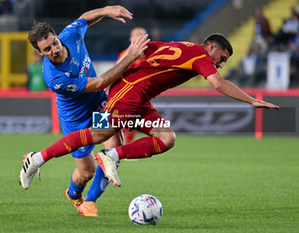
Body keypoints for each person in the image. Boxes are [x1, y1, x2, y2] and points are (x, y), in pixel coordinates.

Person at [21, 33, 279, 197]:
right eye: (221, 58)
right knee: (100, 132)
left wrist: (134, 61)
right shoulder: (201, 56)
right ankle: (37, 158)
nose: (220, 64)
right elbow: (218, 83)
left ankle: (110, 155)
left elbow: (149, 48)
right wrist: (251, 99)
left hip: (139, 97)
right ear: (210, 47)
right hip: (129, 93)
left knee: (166, 137)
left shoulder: (183, 45)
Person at [20, 5, 150, 217]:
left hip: (98, 104)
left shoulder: (70, 34)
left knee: (114, 150)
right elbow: (99, 82)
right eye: (47, 50)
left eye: (54, 43)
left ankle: (89, 202)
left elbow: (84, 19)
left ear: (57, 36)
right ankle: (74, 193)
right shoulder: (53, 77)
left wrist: (107, 10)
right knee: (86, 171)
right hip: (75, 118)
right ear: (39, 52)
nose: (54, 49)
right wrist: (130, 56)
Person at [116, 27, 147, 143]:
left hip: (141, 94)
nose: (139, 37)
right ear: (131, 38)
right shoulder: (124, 54)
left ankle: (124, 148)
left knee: (134, 122)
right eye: (136, 35)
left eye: (142, 35)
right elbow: (116, 70)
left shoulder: (151, 54)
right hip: (123, 93)